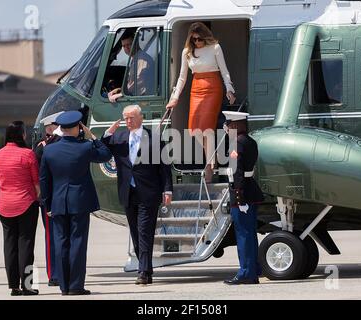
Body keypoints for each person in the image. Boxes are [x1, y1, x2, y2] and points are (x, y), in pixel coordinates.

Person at [40, 111, 111, 295]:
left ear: (61, 128)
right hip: (79, 201)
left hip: (57, 203)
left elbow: (44, 180)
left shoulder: (49, 150)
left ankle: (64, 286)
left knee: (61, 243)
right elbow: (105, 154)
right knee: (78, 243)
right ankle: (76, 285)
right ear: (78, 127)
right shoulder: (85, 147)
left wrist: (47, 205)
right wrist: (92, 136)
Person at [102, 105, 173, 285]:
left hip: (148, 192)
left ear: (140, 118)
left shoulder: (154, 138)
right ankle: (146, 269)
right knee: (135, 232)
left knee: (144, 231)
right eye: (125, 118)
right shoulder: (118, 138)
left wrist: (167, 189)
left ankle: (142, 272)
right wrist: (108, 133)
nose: (128, 121)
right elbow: (101, 151)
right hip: (128, 192)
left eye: (131, 117)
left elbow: (164, 167)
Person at [166, 22, 236, 182]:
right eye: (194, 40)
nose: (197, 42)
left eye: (199, 39)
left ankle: (210, 165)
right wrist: (175, 98)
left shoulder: (215, 48)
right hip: (196, 88)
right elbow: (182, 77)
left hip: (213, 87)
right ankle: (213, 157)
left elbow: (224, 72)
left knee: (206, 127)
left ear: (205, 37)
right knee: (194, 128)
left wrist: (229, 89)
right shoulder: (187, 52)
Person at [0, 121, 40, 296]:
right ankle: (28, 286)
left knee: (9, 245)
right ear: (21, 135)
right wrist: (38, 197)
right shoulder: (28, 154)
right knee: (26, 246)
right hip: (26, 203)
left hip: (5, 204)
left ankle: (13, 286)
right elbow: (36, 183)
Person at [222, 111, 264, 285]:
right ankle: (254, 269)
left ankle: (246, 272)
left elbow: (236, 171)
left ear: (236, 125)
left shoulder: (236, 144)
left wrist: (239, 198)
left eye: (229, 124)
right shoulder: (250, 141)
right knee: (250, 233)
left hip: (242, 193)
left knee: (244, 235)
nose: (227, 128)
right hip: (250, 190)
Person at [33, 111, 64, 287]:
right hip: (50, 197)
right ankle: (55, 274)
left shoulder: (46, 145)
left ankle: (57, 272)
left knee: (56, 235)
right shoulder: (42, 146)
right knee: (53, 236)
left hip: (53, 197)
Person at [107, 32, 155, 102]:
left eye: (129, 44)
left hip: (142, 100)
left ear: (136, 43)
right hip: (136, 97)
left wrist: (122, 93)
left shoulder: (142, 59)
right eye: (124, 46)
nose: (126, 48)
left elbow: (139, 80)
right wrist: (119, 90)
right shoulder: (135, 58)